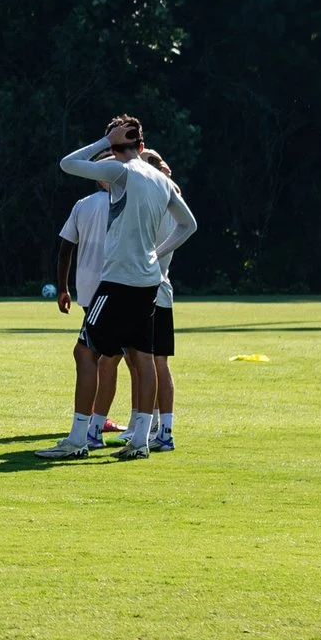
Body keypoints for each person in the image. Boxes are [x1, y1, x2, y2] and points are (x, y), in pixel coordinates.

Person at [51, 116, 198, 461]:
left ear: (116, 148)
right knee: (142, 357)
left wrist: (104, 142)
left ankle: (77, 439)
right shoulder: (160, 179)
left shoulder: (121, 171)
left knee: (85, 353)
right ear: (143, 147)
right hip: (148, 282)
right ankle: (142, 440)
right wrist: (156, 254)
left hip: (117, 280)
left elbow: (68, 164)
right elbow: (189, 225)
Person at [37, 159, 119, 458]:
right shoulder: (127, 200)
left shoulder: (83, 204)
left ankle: (86, 433)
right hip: (122, 287)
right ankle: (135, 427)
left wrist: (63, 287)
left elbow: (65, 248)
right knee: (115, 358)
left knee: (89, 354)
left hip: (94, 291)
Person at [142, 147, 188, 453]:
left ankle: (163, 430)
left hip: (152, 288)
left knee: (153, 361)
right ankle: (158, 427)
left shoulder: (157, 197)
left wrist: (153, 256)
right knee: (149, 361)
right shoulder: (171, 195)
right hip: (155, 286)